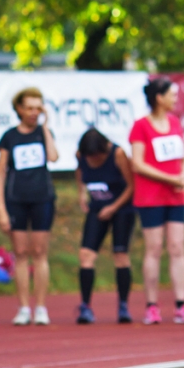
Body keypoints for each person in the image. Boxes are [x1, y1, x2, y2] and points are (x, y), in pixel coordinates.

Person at [129, 77, 184, 325]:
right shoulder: (140, 126)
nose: (175, 99)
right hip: (151, 197)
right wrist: (168, 178)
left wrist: (183, 175)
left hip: (176, 196)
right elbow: (137, 162)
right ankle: (152, 306)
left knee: (177, 247)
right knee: (154, 249)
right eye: (171, 94)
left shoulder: (175, 123)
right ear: (159, 97)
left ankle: (182, 304)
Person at [0, 87, 59, 326]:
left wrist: (46, 125)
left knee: (40, 253)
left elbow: (53, 157)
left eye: (38, 108)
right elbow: (0, 173)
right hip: (16, 200)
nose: (34, 113)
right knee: (21, 254)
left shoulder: (44, 133)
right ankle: (23, 307)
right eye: (29, 108)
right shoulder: (9, 137)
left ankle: (41, 307)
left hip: (42, 199)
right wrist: (1, 208)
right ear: (19, 109)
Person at [74, 128, 136, 325]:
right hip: (97, 209)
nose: (93, 160)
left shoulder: (117, 154)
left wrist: (114, 207)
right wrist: (81, 193)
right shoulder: (81, 156)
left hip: (121, 210)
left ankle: (123, 306)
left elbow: (131, 186)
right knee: (86, 255)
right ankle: (85, 306)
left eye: (97, 156)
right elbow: (79, 172)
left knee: (120, 255)